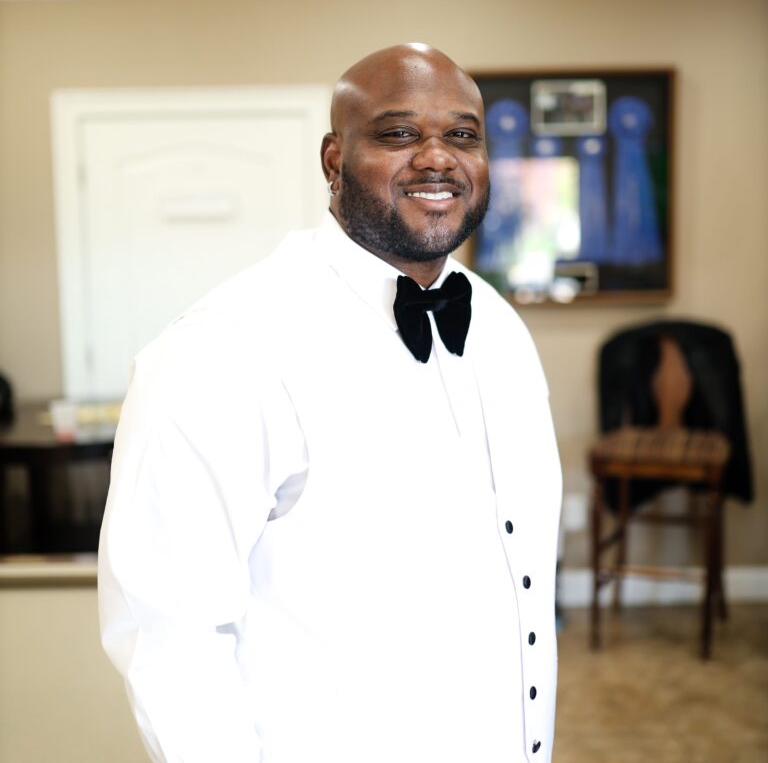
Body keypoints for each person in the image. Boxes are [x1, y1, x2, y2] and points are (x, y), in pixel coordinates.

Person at [98, 43, 562, 763]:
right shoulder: (225, 350)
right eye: (398, 133)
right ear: (333, 159)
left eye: (462, 134)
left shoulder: (500, 329)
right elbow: (169, 636)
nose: (437, 158)